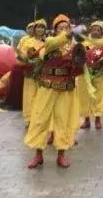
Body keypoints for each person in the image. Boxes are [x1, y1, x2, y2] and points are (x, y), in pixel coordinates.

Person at [24, 14, 81, 168]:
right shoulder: (49, 42)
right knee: (40, 119)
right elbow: (55, 43)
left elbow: (80, 68)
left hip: (65, 88)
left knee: (63, 120)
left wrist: (80, 61)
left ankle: (61, 155)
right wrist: (69, 35)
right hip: (47, 87)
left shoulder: (74, 47)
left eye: (66, 27)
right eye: (60, 28)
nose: (64, 30)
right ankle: (38, 155)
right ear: (55, 30)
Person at [80, 21, 103, 130]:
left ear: (102, 32)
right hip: (85, 74)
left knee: (99, 97)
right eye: (93, 29)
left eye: (98, 30)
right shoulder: (84, 43)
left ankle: (97, 120)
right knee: (85, 97)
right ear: (90, 31)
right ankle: (86, 120)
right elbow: (77, 56)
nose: (95, 32)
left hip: (99, 74)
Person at [17, 19, 46, 123]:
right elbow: (21, 56)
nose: (40, 29)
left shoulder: (47, 42)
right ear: (34, 29)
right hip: (30, 73)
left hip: (42, 74)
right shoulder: (27, 42)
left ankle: (39, 118)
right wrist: (27, 62)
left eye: (42, 27)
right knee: (29, 97)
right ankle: (29, 119)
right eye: (38, 27)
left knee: (41, 96)